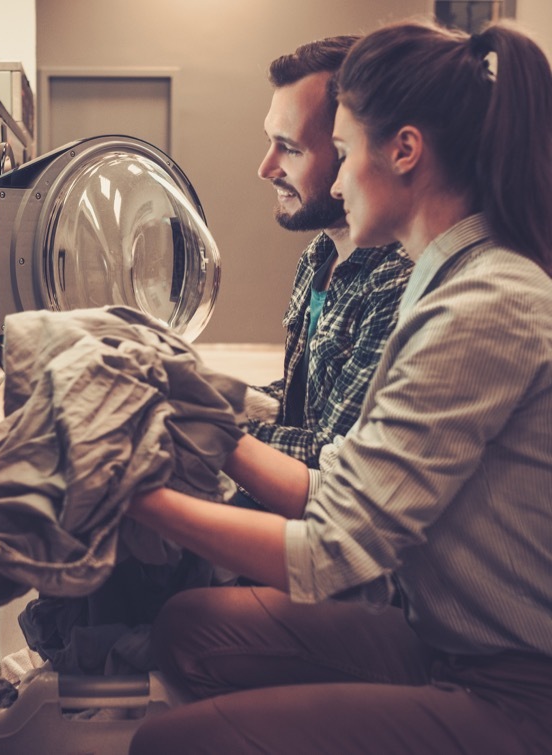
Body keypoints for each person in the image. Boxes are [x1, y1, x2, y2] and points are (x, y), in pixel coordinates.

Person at [128, 19, 552, 754]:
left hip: (517, 686)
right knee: (188, 632)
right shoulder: (444, 281)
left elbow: (333, 548)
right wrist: (200, 417)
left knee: (170, 744)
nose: (338, 175)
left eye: (345, 151)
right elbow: (341, 490)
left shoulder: (485, 307)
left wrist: (132, 491)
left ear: (405, 150)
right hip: (435, 632)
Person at [243, 37, 413, 473]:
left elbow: (330, 459)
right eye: (270, 141)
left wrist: (199, 424)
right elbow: (306, 405)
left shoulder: (399, 283)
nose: (266, 168)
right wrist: (216, 396)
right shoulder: (319, 255)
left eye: (292, 148)